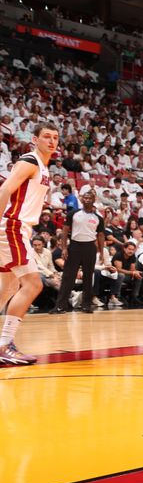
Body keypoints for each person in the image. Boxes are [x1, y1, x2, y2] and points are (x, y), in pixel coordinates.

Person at [0, 122, 58, 364]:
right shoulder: (30, 161)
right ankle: (5, 345)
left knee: (8, 288)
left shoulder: (43, 166)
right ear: (34, 139)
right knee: (33, 285)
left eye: (55, 137)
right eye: (46, 136)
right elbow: (4, 190)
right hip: (13, 227)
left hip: (18, 228)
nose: (52, 141)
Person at [51, 191, 105, 314]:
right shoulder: (73, 214)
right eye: (85, 197)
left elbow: (101, 236)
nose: (87, 199)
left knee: (88, 277)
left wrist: (101, 252)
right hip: (74, 246)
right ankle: (60, 306)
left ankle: (86, 305)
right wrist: (64, 248)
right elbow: (64, 232)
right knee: (68, 277)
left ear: (93, 199)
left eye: (89, 198)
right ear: (81, 200)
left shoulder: (98, 218)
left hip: (90, 247)